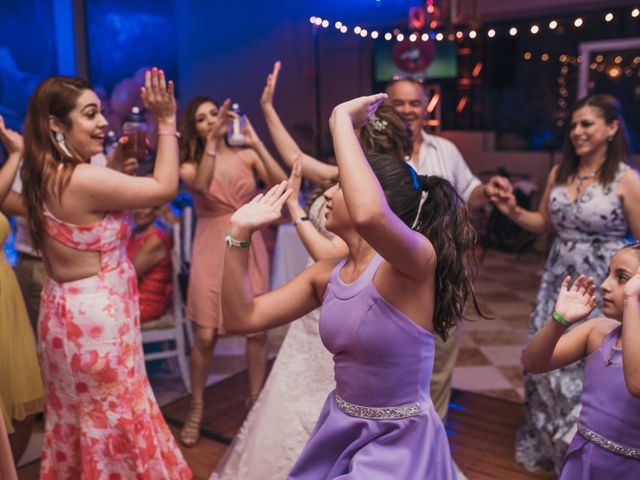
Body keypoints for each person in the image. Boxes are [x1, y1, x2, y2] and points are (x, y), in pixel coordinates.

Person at [221, 93, 483, 478]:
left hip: (398, 442)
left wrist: (340, 117)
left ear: (381, 200)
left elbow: (368, 214)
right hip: (340, 428)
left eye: (341, 185)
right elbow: (243, 317)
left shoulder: (413, 265)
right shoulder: (325, 274)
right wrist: (237, 235)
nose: (327, 191)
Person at [21, 70, 191, 478]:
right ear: (56, 125)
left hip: (64, 316)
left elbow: (85, 217)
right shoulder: (81, 178)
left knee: (79, 420)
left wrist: (112, 165)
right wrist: (166, 123)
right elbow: (165, 187)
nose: (103, 124)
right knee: (114, 421)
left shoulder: (43, 173)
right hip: (97, 327)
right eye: (90, 114)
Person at [490, 94, 640, 471]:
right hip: (560, 280)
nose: (577, 132)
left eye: (587, 123)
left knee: (595, 365)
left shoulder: (627, 179)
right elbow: (544, 223)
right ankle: (559, 449)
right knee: (545, 361)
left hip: (609, 282)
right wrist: (511, 209)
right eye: (572, 125)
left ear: (611, 127)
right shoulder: (560, 173)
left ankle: (600, 448)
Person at [178, 95, 286, 447]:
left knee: (255, 330)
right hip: (211, 243)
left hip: (248, 241)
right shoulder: (189, 163)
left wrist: (256, 142)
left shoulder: (246, 154)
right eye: (202, 118)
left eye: (214, 114)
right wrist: (210, 143)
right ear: (192, 128)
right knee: (206, 334)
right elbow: (202, 185)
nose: (211, 120)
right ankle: (196, 406)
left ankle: (254, 401)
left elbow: (281, 182)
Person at [521, 243, 640, 478]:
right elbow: (532, 363)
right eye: (608, 274)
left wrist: (631, 300)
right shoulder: (598, 331)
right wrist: (559, 321)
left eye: (622, 278)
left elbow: (636, 383)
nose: (604, 285)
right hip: (582, 461)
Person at [0, 116, 45, 466]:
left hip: (6, 292)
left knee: (25, 403)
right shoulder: (20, 162)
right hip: (23, 276)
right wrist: (16, 155)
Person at [127, 205, 173, 324]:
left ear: (156, 210)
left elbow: (129, 275)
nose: (138, 210)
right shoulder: (133, 233)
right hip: (129, 297)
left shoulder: (156, 239)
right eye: (135, 206)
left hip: (145, 302)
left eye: (144, 206)